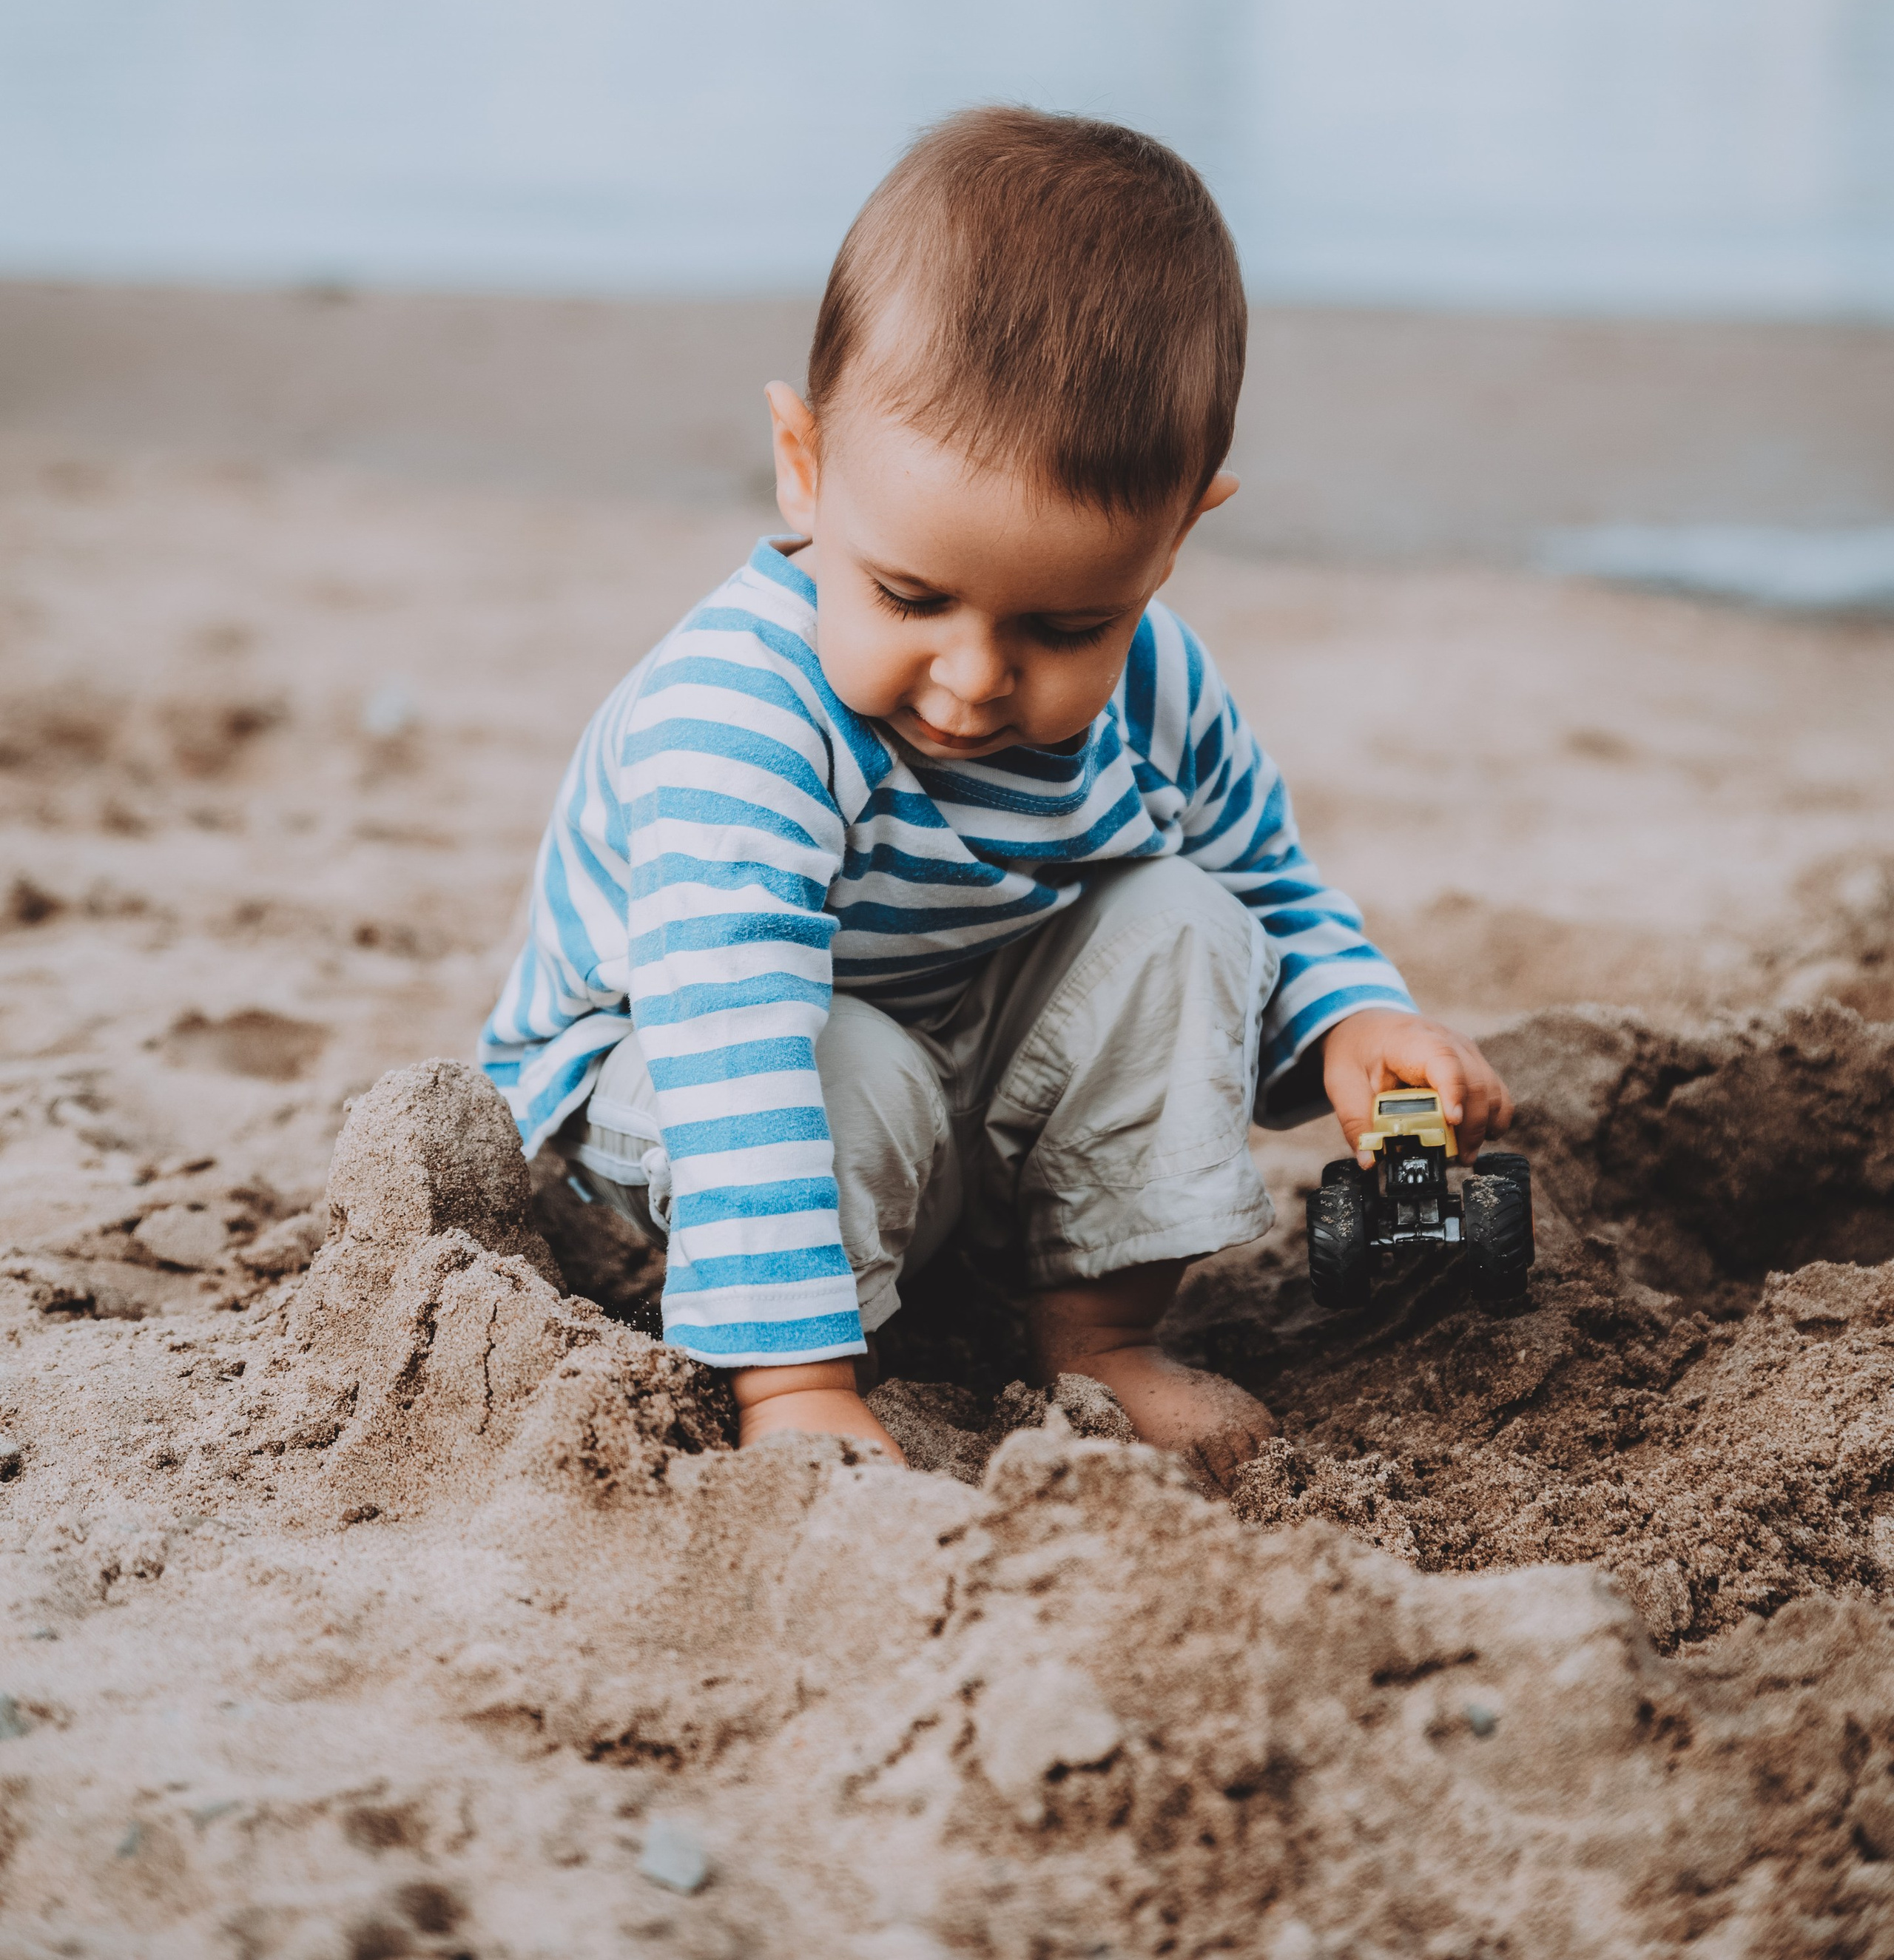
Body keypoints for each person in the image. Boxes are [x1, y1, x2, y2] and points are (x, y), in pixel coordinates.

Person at [477, 107, 1512, 1494]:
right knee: (844, 1060)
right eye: (910, 596)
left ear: (1178, 537)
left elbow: (1268, 886)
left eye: (1066, 626)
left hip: (950, 1117)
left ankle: (1098, 1343)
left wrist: (1353, 1017)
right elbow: (728, 1037)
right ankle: (804, 1355)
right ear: (805, 466)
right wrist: (797, 1385)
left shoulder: (1161, 688)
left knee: (1188, 915)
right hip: (681, 1123)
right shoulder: (743, 716)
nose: (972, 680)